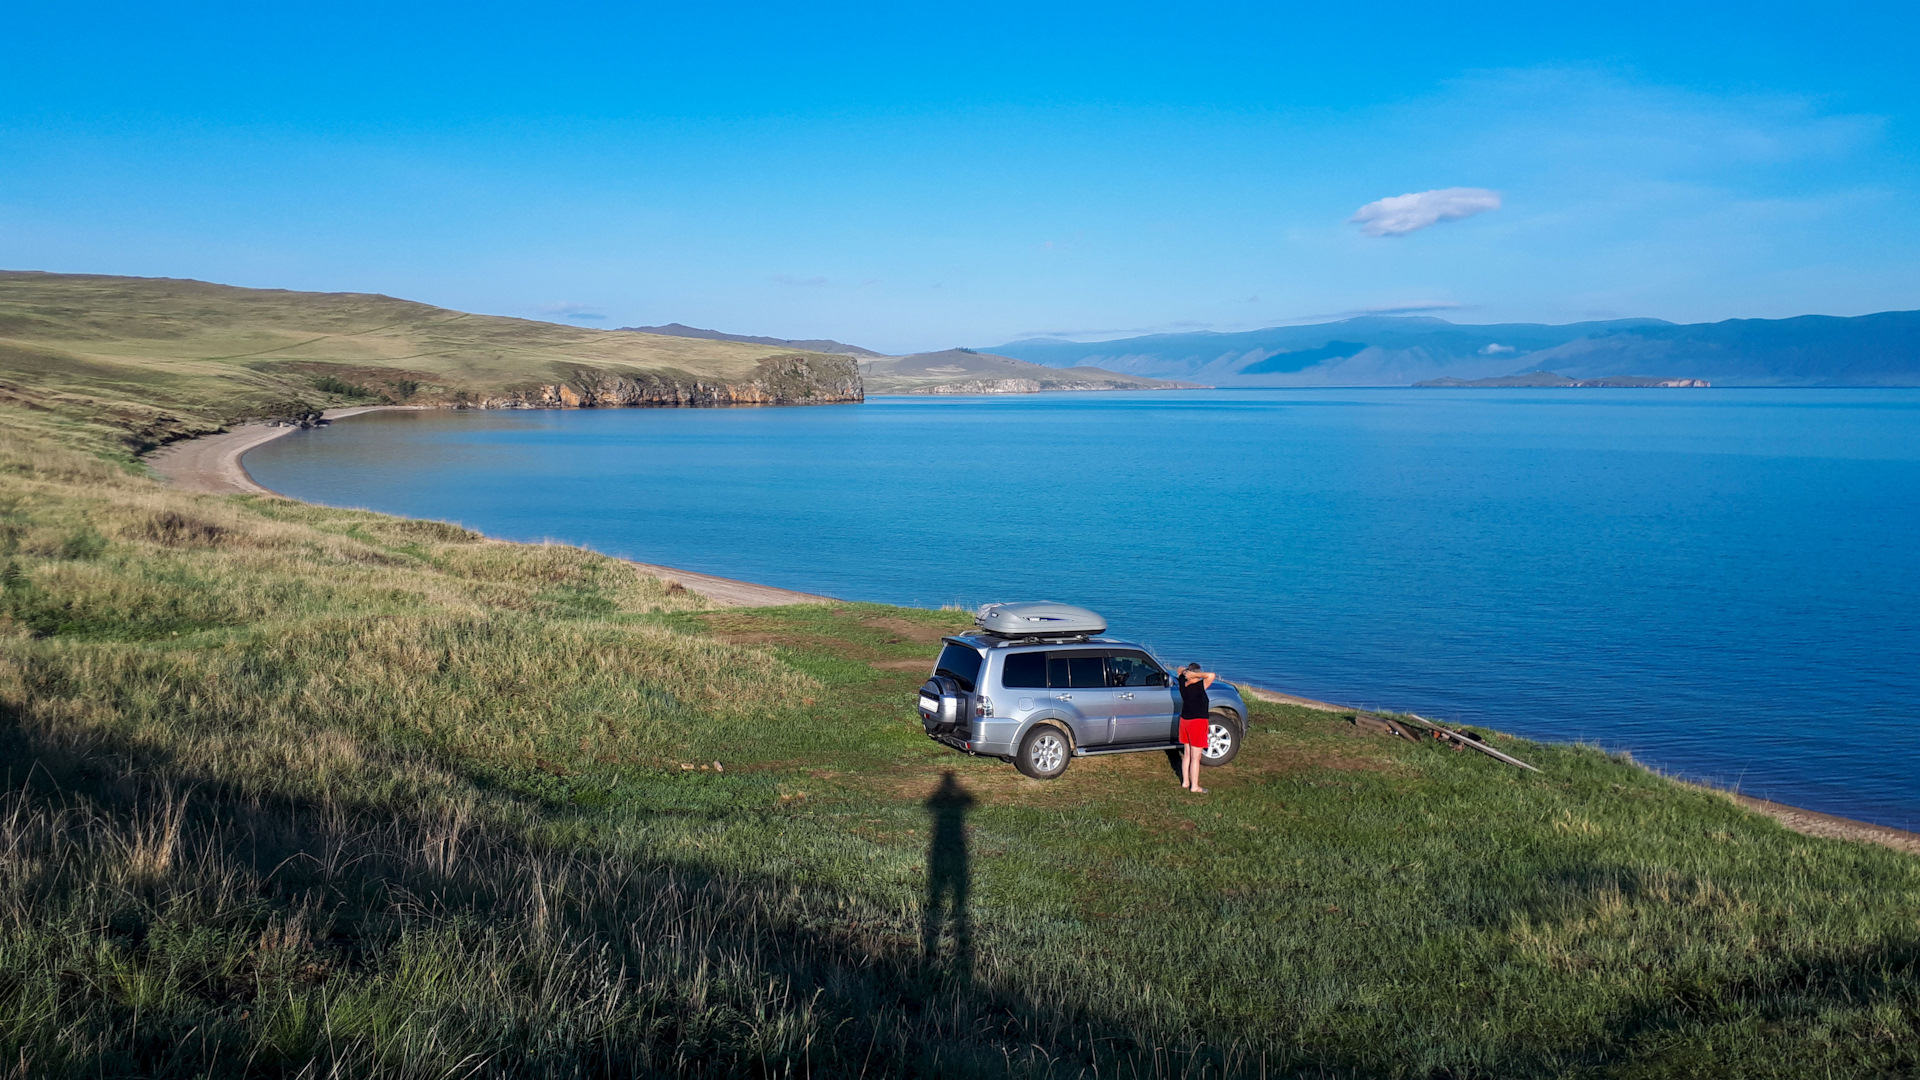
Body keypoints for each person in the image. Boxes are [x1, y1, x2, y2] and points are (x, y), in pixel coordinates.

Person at [1177, 662, 1216, 793]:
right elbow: (1211, 675)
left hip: (1185, 721)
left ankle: (1185, 782)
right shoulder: (1199, 686)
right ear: (1195, 674)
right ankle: (1194, 786)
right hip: (1197, 723)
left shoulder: (1183, 683)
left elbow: (1179, 670)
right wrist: (1196, 675)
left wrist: (1186, 673)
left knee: (1187, 754)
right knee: (1195, 757)